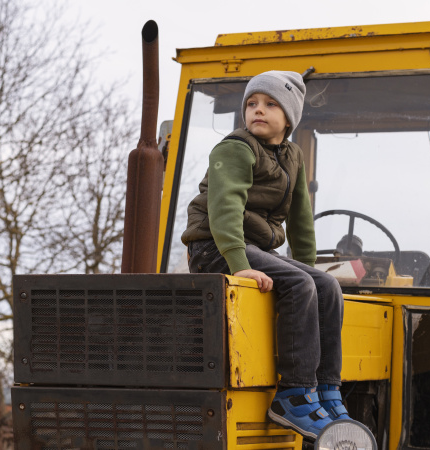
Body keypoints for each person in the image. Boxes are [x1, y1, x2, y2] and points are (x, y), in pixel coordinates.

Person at [181, 71, 350, 440]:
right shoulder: (235, 148)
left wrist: (309, 271)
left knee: (325, 286)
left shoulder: (292, 156)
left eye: (270, 104)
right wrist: (240, 267)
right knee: (300, 284)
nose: (258, 110)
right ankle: (293, 395)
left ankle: (326, 388)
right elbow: (224, 209)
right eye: (252, 103)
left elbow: (302, 221)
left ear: (289, 117)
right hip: (214, 246)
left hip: (251, 246)